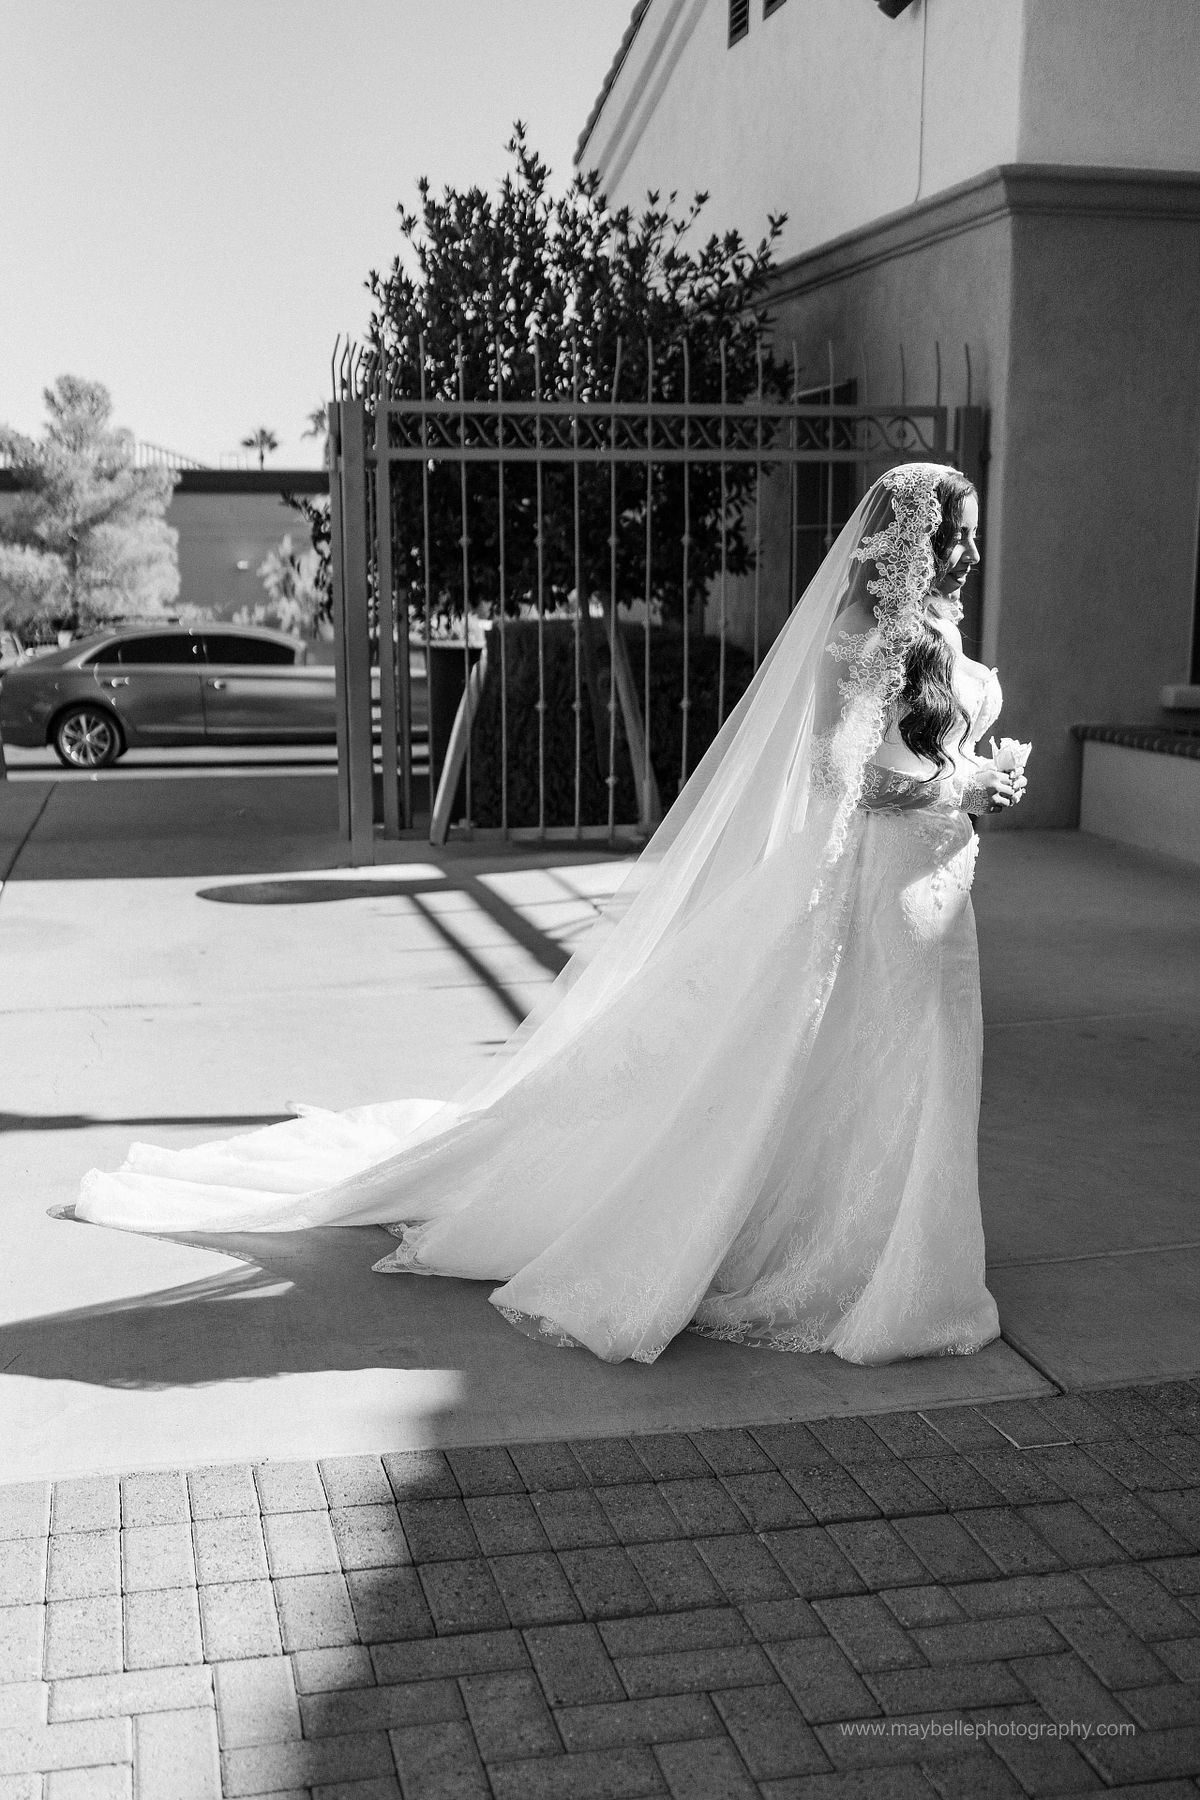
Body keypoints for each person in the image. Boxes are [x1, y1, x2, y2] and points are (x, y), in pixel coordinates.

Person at [74, 461, 1026, 1367]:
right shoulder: (862, 630)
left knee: (922, 1061)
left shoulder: (936, 630)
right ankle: (862, 1263)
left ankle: (900, 1249)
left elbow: (913, 755)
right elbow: (836, 776)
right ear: (916, 538)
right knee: (884, 1055)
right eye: (961, 539)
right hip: (878, 881)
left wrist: (965, 786)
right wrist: (962, 789)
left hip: (936, 884)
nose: (973, 558)